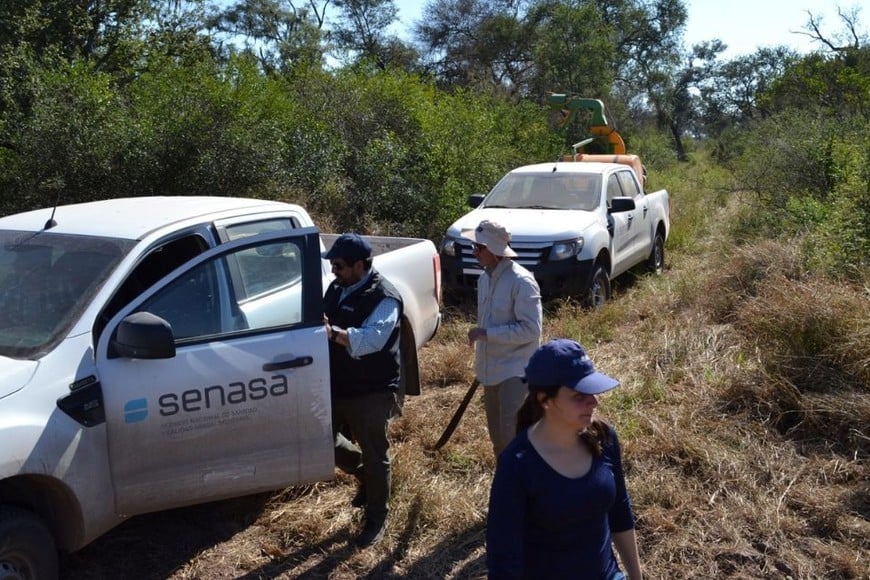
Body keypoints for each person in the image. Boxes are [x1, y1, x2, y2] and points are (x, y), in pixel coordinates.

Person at [486, 339, 643, 580]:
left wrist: (636, 576)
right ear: (545, 400)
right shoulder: (517, 465)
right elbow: (504, 560)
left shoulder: (604, 438)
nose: (594, 401)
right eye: (579, 396)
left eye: (592, 391)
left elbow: (620, 511)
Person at [322, 233, 403, 548]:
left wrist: (332, 333)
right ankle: (366, 476)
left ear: (359, 265)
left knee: (374, 452)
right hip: (338, 382)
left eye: (339, 265)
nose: (334, 271)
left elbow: (371, 340)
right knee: (323, 440)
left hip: (372, 388)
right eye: (332, 265)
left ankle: (376, 518)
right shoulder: (337, 287)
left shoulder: (385, 296)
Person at [463, 220, 542, 457]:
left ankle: (524, 480)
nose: (475, 252)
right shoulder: (484, 279)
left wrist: (487, 334)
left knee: (513, 438)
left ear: (495, 250)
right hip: (491, 371)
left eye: (479, 247)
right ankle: (506, 479)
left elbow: (531, 329)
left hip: (515, 372)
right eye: (474, 247)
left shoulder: (522, 281)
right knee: (498, 440)